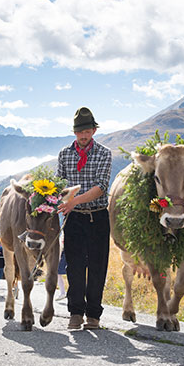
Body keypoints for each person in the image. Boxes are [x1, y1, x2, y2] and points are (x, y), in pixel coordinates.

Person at [57, 106, 112, 330]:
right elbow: (59, 185)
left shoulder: (104, 153)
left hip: (98, 216)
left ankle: (93, 316)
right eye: (80, 132)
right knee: (75, 267)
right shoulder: (64, 154)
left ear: (94, 130)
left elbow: (101, 187)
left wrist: (73, 201)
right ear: (74, 132)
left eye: (87, 131)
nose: (83, 135)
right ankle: (76, 313)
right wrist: (61, 201)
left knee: (98, 267)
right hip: (74, 219)